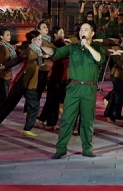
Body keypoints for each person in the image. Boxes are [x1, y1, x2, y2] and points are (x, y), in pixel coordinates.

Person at [41, 22, 106, 159]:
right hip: (73, 87)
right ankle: (61, 148)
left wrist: (87, 46)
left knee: (87, 120)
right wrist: (41, 46)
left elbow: (100, 60)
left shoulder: (98, 48)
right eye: (81, 29)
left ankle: (87, 148)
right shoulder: (73, 47)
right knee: (67, 118)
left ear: (92, 33)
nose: (82, 32)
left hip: (89, 88)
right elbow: (56, 53)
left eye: (86, 30)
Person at [103, 24, 123, 123]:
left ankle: (110, 113)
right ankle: (115, 114)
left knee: (116, 94)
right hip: (117, 74)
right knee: (119, 95)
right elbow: (121, 62)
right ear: (122, 38)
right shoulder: (117, 48)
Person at [0, 27, 20, 116]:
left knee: (4, 95)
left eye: (10, 35)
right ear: (2, 37)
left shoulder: (8, 46)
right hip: (1, 74)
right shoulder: (2, 46)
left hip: (8, 73)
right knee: (2, 96)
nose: (10, 36)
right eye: (7, 35)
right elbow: (3, 58)